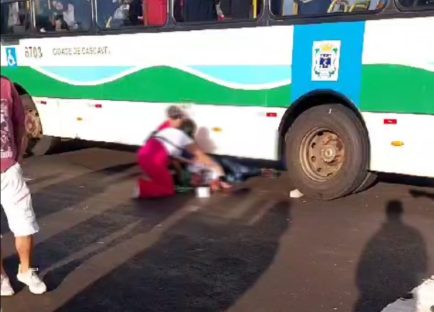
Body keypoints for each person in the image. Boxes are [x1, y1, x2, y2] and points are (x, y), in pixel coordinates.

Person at [1, 77, 47, 296]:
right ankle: (1, 277)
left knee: (25, 223)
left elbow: (20, 124)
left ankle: (26, 271)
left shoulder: (6, 86)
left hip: (9, 169)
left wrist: (17, 159)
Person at [136, 117, 228, 199]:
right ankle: (141, 189)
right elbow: (202, 156)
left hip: (143, 155)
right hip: (155, 159)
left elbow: (174, 159)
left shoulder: (167, 131)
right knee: (167, 190)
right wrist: (222, 177)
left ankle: (147, 181)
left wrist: (182, 174)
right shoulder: (183, 137)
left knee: (166, 181)